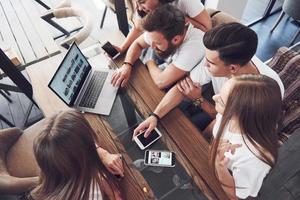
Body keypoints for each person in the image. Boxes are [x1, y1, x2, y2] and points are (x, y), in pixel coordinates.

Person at [133, 22, 284, 138]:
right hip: (219, 113)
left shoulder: (261, 93)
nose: (204, 65)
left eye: (210, 63)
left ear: (232, 68)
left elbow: (229, 125)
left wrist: (198, 100)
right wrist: (154, 116)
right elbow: (181, 88)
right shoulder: (222, 60)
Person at [210, 74, 282, 199]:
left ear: (239, 114)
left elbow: (236, 196)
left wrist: (219, 166)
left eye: (221, 101)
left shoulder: (254, 158)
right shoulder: (226, 117)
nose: (213, 97)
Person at [26, 110, 124, 200]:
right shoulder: (92, 195)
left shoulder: (53, 170)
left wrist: (102, 153)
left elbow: (65, 140)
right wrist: (114, 195)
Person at [111, 4, 205, 89]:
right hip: (166, 68)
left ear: (176, 39)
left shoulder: (195, 45)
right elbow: (138, 44)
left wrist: (149, 61)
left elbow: (161, 82)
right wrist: (127, 65)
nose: (152, 46)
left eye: (157, 43)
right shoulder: (158, 29)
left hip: (186, 93)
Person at [115, 0, 211, 54]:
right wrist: (122, 48)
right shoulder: (146, 8)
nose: (140, 8)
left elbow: (208, 31)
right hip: (163, 47)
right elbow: (137, 28)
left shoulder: (187, 2)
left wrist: (179, 18)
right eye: (137, 3)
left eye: (143, 2)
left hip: (186, 49)